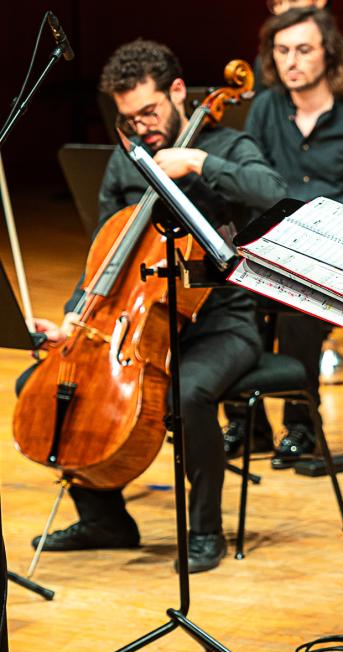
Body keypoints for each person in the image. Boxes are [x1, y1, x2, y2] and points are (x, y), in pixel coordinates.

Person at [29, 38, 286, 573]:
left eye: (149, 111)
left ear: (176, 92)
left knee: (189, 393)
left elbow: (274, 191)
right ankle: (104, 519)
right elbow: (104, 258)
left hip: (222, 322)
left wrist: (198, 161)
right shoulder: (127, 165)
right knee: (53, 385)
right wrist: (76, 317)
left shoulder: (231, 147)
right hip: (133, 321)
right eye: (129, 118)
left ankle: (204, 531)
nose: (141, 127)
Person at [231, 6, 343, 464]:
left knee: (296, 311)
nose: (291, 61)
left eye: (303, 50)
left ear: (329, 53)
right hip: (278, 249)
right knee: (222, 297)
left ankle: (302, 425)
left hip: (342, 262)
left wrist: (337, 233)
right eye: (282, 50)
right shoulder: (266, 108)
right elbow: (251, 182)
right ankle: (246, 425)